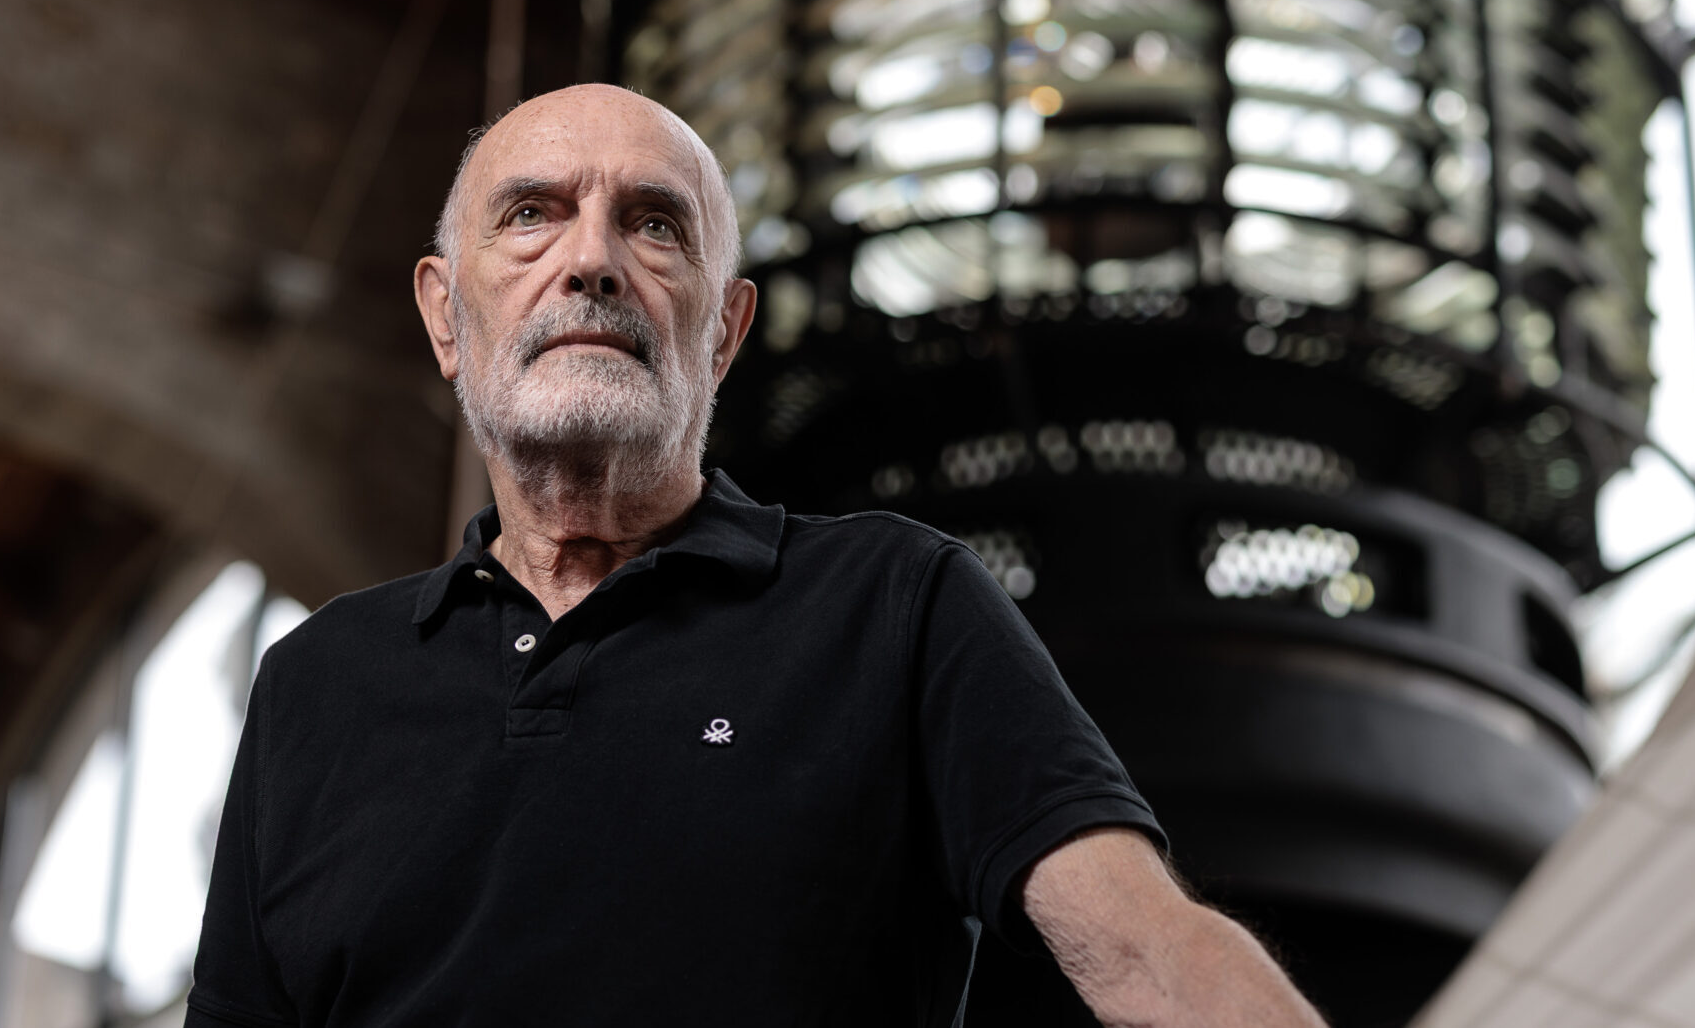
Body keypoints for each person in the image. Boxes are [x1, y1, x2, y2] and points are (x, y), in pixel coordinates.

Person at [183, 85, 1325, 1027]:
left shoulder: (893, 604)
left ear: (723, 332)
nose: (591, 261)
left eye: (653, 223)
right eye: (532, 214)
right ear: (446, 316)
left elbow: (1141, 949)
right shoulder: (318, 683)